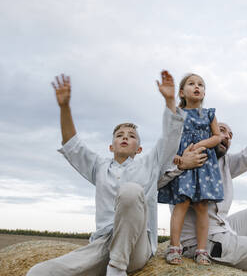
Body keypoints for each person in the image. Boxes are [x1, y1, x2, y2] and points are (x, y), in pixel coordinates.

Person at [27, 71, 186, 276]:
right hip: (102, 245)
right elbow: (72, 145)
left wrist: (170, 100)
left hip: (136, 247)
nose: (124, 138)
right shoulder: (99, 167)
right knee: (39, 272)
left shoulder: (151, 163)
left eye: (131, 136)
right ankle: (112, 264)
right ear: (111, 146)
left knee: (130, 191)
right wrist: (65, 107)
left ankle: (117, 268)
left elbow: (170, 138)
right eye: (119, 135)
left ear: (139, 149)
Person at [158, 113, 247, 276]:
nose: (226, 137)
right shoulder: (187, 155)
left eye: (230, 136)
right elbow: (156, 183)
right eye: (221, 131)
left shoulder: (224, 163)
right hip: (203, 243)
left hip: (222, 229)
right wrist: (182, 166)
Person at [158, 73, 224, 266]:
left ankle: (201, 250)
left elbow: (217, 136)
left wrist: (200, 144)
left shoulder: (209, 113)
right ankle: (174, 247)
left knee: (203, 206)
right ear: (181, 92)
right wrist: (174, 156)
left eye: (201, 85)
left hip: (203, 162)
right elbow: (170, 137)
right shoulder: (179, 114)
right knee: (182, 202)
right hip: (185, 161)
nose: (197, 87)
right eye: (192, 83)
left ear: (204, 93)